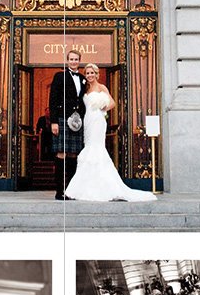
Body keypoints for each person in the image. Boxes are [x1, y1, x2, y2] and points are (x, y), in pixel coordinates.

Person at [63, 63, 156, 201]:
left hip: (98, 120)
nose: (89, 75)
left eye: (92, 73)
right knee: (88, 147)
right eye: (87, 73)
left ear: (96, 74)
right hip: (87, 120)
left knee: (96, 148)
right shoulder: (85, 88)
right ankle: (86, 187)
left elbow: (112, 103)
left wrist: (102, 107)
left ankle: (105, 187)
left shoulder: (101, 87)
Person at [49, 49, 86, 199]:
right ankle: (59, 191)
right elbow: (53, 99)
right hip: (63, 119)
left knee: (73, 155)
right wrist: (53, 122)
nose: (74, 61)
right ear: (67, 60)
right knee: (61, 154)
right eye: (71, 59)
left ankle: (70, 191)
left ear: (79, 61)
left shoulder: (83, 78)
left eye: (76, 59)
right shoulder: (60, 76)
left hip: (77, 121)